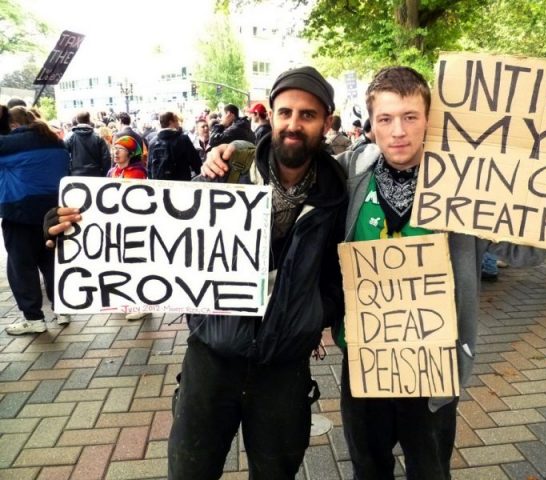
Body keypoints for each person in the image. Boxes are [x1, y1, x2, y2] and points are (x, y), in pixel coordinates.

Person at [204, 66, 546, 480]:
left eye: (410, 117)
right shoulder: (349, 172)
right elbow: (289, 170)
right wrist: (234, 151)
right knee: (368, 469)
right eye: (385, 118)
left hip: (434, 362)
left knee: (430, 470)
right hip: (365, 358)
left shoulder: (466, 182)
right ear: (372, 123)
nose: (398, 131)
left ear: (428, 120)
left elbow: (525, 252)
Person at [46, 65, 348, 480]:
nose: (294, 124)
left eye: (307, 115)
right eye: (285, 112)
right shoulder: (227, 173)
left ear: (326, 122)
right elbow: (157, 227)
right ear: (271, 116)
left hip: (284, 368)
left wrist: (313, 312)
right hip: (211, 357)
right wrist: (75, 225)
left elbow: (340, 274)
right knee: (190, 472)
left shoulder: (337, 192)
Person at [1, 106, 71, 335]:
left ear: (13, 125)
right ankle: (62, 309)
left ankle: (34, 318)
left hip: (20, 213)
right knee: (51, 262)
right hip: (52, 212)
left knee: (21, 267)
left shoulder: (9, 144)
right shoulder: (55, 140)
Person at [147, 111, 201, 180]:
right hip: (180, 185)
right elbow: (196, 163)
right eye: (176, 121)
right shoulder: (183, 140)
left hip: (159, 187)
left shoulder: (152, 142)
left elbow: (149, 169)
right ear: (171, 122)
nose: (178, 124)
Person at [65, 111, 112, 177]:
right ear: (89, 119)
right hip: (95, 175)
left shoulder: (70, 138)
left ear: (77, 120)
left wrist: (69, 172)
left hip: (76, 175)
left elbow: (64, 157)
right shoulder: (98, 137)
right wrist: (103, 174)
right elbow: (106, 158)